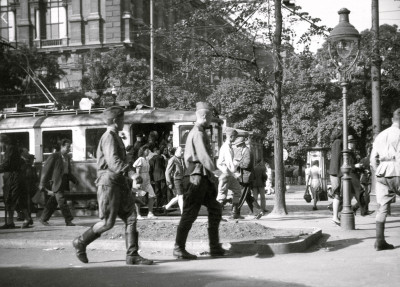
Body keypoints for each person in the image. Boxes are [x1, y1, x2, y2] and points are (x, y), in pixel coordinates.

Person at [72, 106, 153, 265]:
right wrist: (131, 173)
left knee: (131, 217)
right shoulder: (109, 136)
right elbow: (113, 161)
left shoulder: (115, 136)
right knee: (107, 223)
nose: (124, 121)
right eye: (122, 119)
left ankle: (132, 255)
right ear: (116, 121)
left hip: (118, 182)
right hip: (108, 183)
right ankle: (81, 241)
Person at [173, 102, 225, 260]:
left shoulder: (199, 131)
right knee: (190, 213)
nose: (211, 120)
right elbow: (203, 157)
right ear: (204, 116)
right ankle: (178, 248)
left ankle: (214, 247)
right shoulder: (198, 133)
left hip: (202, 177)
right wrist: (216, 171)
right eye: (210, 117)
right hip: (196, 178)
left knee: (215, 209)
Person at [370, 108, 400, 251]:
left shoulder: (381, 135)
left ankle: (379, 242)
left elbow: (372, 160)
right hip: (397, 171)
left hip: (381, 173)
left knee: (382, 208)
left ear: (392, 119)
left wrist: (378, 171)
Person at [39, 139, 78, 227]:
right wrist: (42, 183)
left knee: (53, 201)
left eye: (70, 147)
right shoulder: (54, 156)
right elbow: (46, 169)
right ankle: (68, 220)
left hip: (64, 181)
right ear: (62, 146)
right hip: (56, 182)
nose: (69, 149)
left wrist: (74, 180)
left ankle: (43, 218)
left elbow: (67, 171)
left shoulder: (67, 157)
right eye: (68, 147)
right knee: (62, 201)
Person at [0, 134, 31, 229]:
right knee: (20, 199)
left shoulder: (10, 149)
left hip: (12, 177)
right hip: (18, 176)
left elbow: (7, 164)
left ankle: (10, 222)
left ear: (3, 142)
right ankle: (27, 218)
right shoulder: (15, 149)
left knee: (10, 198)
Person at [216, 128, 242, 219]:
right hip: (226, 173)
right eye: (235, 137)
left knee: (237, 191)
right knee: (222, 195)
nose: (235, 139)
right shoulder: (226, 147)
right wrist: (236, 172)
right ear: (231, 137)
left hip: (228, 173)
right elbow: (229, 163)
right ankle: (218, 216)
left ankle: (235, 213)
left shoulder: (229, 146)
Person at [133, 145, 157, 219]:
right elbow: (137, 171)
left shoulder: (146, 159)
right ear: (143, 151)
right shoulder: (140, 159)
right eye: (146, 150)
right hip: (140, 179)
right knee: (139, 196)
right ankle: (138, 214)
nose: (148, 151)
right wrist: (138, 182)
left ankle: (150, 213)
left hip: (147, 179)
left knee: (152, 195)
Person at [164, 147, 185, 214]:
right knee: (181, 196)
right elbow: (167, 172)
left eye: (182, 151)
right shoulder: (172, 159)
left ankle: (166, 207)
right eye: (180, 151)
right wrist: (169, 182)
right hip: (176, 180)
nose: (182, 152)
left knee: (179, 196)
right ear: (176, 152)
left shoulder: (182, 159)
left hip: (182, 179)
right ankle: (183, 212)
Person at [149, 145, 167, 210]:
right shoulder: (161, 158)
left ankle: (157, 206)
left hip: (155, 177)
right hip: (162, 176)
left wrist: (151, 178)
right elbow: (164, 166)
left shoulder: (151, 159)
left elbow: (150, 169)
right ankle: (163, 206)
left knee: (157, 192)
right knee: (163, 192)